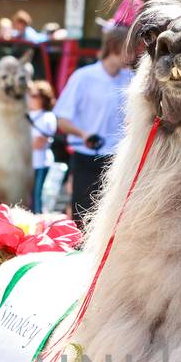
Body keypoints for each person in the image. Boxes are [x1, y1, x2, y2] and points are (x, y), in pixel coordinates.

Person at [53, 25, 132, 223]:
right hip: (86, 158)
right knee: (83, 216)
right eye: (129, 48)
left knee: (113, 218)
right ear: (116, 47)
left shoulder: (131, 79)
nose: (133, 53)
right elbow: (62, 119)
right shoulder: (83, 77)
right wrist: (83, 134)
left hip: (117, 160)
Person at [27, 79, 58, 211]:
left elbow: (38, 143)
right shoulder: (24, 115)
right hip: (25, 165)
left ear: (43, 99)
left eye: (34, 96)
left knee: (37, 200)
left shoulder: (48, 117)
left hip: (40, 164)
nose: (30, 98)